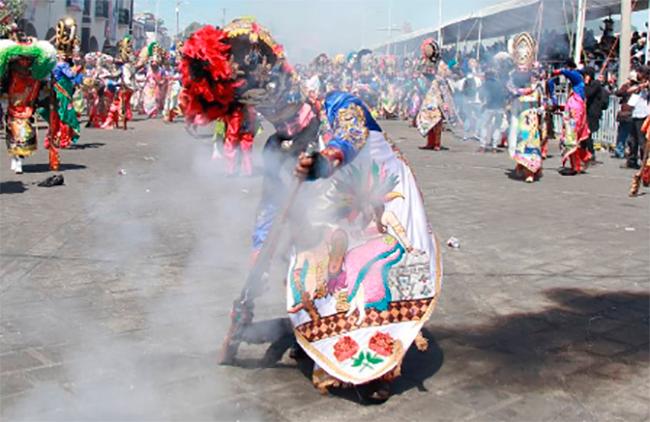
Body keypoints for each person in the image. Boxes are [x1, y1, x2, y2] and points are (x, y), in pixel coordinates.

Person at [180, 19, 442, 401]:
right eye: (266, 108)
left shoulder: (337, 104)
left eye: (280, 99)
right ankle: (326, 339)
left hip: (374, 210)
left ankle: (376, 366)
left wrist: (324, 161)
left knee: (366, 272)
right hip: (326, 224)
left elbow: (350, 137)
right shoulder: (278, 148)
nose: (278, 110)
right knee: (306, 258)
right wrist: (259, 258)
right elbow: (271, 211)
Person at [0, 19, 56, 174]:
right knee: (14, 131)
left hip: (28, 104)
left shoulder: (35, 70)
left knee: (25, 132)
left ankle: (19, 159)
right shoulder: (11, 64)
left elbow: (44, 77)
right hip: (14, 102)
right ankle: (16, 159)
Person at [40, 16, 82, 171]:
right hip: (62, 92)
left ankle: (53, 138)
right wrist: (78, 68)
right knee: (64, 114)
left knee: (55, 116)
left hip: (55, 90)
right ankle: (63, 139)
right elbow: (71, 76)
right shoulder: (62, 65)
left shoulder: (53, 64)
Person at [506, 33, 543, 183]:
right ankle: (520, 166)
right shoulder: (512, 76)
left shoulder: (536, 75)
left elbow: (540, 90)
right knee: (517, 137)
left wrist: (542, 105)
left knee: (531, 141)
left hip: (531, 113)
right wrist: (516, 93)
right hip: (519, 111)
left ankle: (530, 171)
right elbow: (509, 87)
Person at [556, 62, 591, 175]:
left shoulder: (578, 80)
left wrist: (560, 71)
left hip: (575, 116)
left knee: (571, 140)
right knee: (572, 140)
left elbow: (570, 74)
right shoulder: (578, 87)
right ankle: (582, 159)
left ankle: (576, 165)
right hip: (575, 114)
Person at [416, 38, 445, 150]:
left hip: (436, 93)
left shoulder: (440, 64)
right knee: (427, 118)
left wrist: (437, 78)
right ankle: (430, 142)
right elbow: (418, 73)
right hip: (427, 94)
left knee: (436, 119)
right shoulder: (423, 62)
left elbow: (443, 76)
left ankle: (437, 143)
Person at [622, 66, 649, 170]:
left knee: (643, 140)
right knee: (632, 139)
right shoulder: (639, 86)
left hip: (644, 115)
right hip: (636, 114)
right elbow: (629, 91)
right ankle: (632, 160)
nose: (638, 75)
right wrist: (639, 86)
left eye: (640, 73)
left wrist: (645, 85)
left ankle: (645, 162)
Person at [583, 66, 609, 162]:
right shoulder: (591, 84)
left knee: (588, 133)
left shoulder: (595, 84)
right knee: (585, 134)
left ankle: (591, 153)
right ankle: (585, 152)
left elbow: (588, 93)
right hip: (586, 112)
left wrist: (585, 84)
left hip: (593, 113)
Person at [478, 68, 507, 152]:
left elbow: (481, 95)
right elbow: (505, 95)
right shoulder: (500, 84)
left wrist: (483, 103)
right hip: (500, 108)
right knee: (497, 127)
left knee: (484, 126)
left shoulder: (485, 84)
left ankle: (482, 145)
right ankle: (494, 146)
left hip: (488, 107)